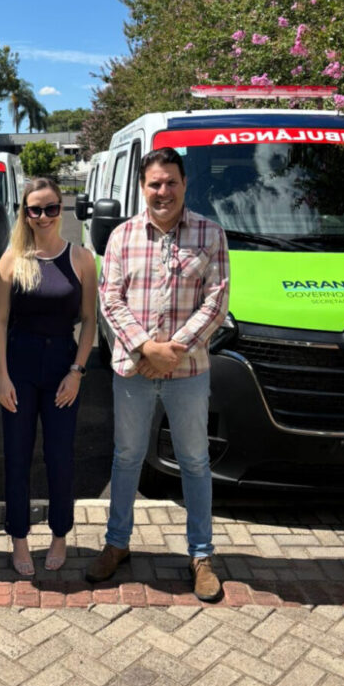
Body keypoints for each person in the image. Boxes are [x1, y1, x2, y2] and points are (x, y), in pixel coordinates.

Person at [86, 147, 229, 601]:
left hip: (188, 370)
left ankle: (201, 555)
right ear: (142, 188)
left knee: (195, 461)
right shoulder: (122, 236)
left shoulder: (210, 234)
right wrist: (146, 348)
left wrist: (174, 351)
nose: (162, 191)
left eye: (170, 182)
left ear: (184, 184)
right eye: (154, 183)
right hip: (133, 368)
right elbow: (110, 299)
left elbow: (217, 301)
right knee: (127, 457)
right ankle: (117, 543)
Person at [0, 177, 97, 576]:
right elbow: (0, 321)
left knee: (59, 456)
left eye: (51, 207)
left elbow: (89, 320)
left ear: (61, 209)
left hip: (61, 368)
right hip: (19, 366)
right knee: (17, 456)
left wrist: (77, 372)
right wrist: (2, 377)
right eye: (34, 209)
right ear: (24, 213)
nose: (43, 216)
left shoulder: (81, 259)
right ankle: (19, 538)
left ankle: (59, 534)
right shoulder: (11, 259)